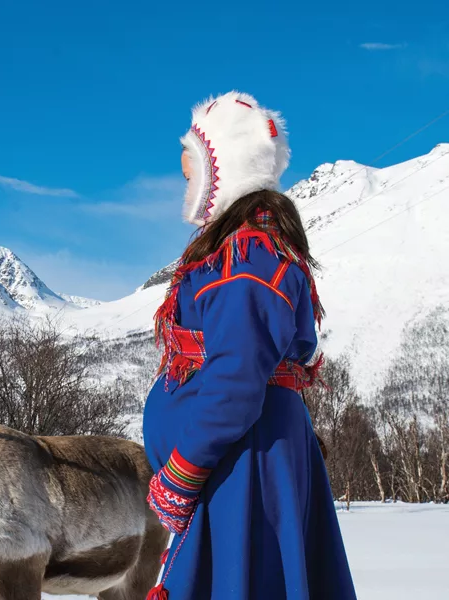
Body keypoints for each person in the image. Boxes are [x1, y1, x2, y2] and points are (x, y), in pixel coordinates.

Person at [142, 91, 357, 600]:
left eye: (190, 173)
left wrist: (181, 471)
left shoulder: (244, 258)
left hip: (242, 467)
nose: (186, 186)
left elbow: (237, 379)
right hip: (242, 460)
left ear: (222, 171)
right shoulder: (250, 251)